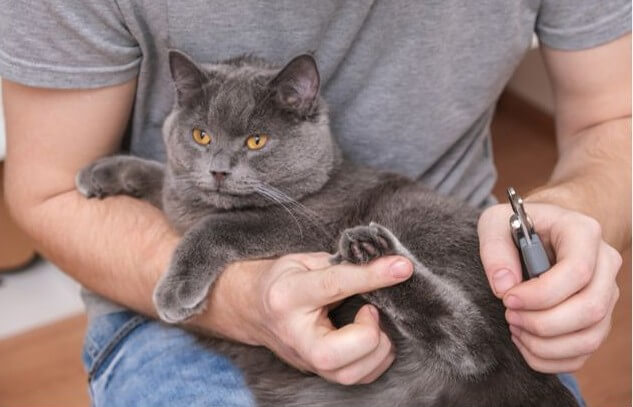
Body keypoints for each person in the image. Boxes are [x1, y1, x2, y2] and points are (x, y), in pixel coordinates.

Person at [1, 1, 629, 406]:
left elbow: (615, 119)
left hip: (456, 266)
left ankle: (454, 333)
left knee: (471, 358)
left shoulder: (311, 188)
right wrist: (233, 295)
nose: (218, 168)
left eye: (250, 144)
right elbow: (49, 188)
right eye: (199, 141)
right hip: (157, 297)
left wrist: (572, 212)